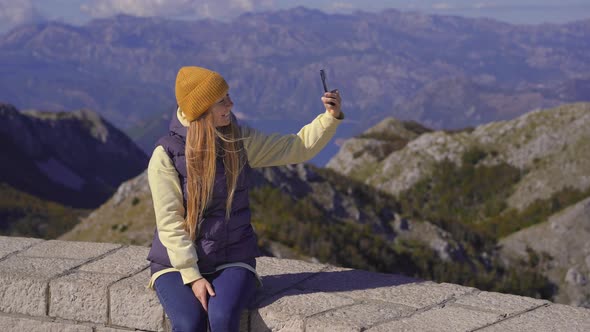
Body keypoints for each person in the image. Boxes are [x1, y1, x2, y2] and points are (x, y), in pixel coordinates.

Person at [145, 66, 344, 332]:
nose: (231, 103)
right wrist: (192, 276)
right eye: (222, 101)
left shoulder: (239, 141)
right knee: (188, 323)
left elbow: (295, 147)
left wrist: (330, 118)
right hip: (175, 263)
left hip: (232, 257)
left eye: (228, 96)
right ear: (202, 109)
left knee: (223, 319)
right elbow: (170, 222)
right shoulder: (166, 155)